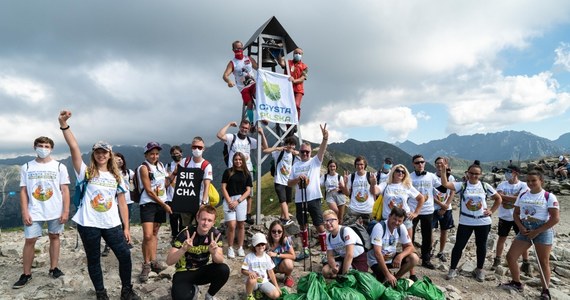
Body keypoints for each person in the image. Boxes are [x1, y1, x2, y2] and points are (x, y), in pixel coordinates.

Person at [58, 110, 140, 300]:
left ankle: (126, 290)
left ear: (110, 155)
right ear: (94, 154)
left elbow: (122, 203)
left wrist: (126, 227)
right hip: (88, 223)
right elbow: (74, 148)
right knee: (94, 260)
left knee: (124, 255)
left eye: (105, 152)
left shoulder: (117, 176)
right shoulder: (85, 172)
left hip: (112, 223)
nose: (101, 155)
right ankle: (101, 293)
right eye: (98, 152)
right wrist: (64, 125)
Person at [13, 136, 70, 289]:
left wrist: (65, 210)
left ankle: (54, 268)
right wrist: (24, 211)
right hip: (34, 210)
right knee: (30, 240)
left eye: (46, 146)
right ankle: (26, 274)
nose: (43, 148)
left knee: (55, 237)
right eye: (40, 145)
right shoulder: (27, 167)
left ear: (51, 148)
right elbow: (23, 191)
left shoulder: (60, 167)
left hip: (55, 210)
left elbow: (65, 190)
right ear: (35, 147)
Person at [500, 170, 559, 300]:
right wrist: (521, 227)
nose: (531, 183)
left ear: (541, 181)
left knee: (543, 262)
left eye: (534, 180)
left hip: (543, 230)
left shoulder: (549, 196)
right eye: (528, 181)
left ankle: (545, 290)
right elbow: (516, 213)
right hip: (525, 229)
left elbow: (555, 219)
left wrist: (537, 231)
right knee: (511, 256)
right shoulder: (523, 194)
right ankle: (516, 282)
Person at [439, 162, 501, 282]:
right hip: (466, 221)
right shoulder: (462, 185)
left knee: (481, 246)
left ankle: (480, 269)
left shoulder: (485, 186)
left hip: (483, 221)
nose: (473, 176)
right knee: (459, 246)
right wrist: (443, 171)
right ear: (467, 173)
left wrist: (491, 210)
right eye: (471, 173)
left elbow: (498, 198)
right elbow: (445, 184)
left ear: (480, 174)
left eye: (476, 174)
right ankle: (452, 269)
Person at [370, 164, 424, 281]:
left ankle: (410, 273)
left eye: (403, 172)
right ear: (393, 172)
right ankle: (382, 269)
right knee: (384, 245)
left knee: (408, 246)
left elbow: (421, 198)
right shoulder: (386, 184)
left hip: (405, 220)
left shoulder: (407, 186)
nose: (400, 173)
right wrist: (373, 183)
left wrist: (415, 213)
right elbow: (374, 191)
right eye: (398, 171)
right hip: (387, 219)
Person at [167, 205, 229, 300]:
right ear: (197, 218)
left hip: (202, 271)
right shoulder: (185, 234)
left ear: (213, 222)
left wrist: (214, 253)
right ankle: (192, 289)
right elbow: (169, 261)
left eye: (209, 220)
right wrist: (183, 249)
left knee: (224, 269)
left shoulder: (215, 235)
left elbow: (220, 260)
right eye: (203, 219)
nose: (205, 223)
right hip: (184, 272)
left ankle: (209, 295)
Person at [288, 124, 329, 261]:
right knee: (302, 224)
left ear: (310, 153)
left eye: (307, 152)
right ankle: (305, 250)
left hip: (314, 198)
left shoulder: (314, 162)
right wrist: (296, 179)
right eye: (302, 152)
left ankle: (324, 253)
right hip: (300, 199)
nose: (305, 154)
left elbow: (322, 151)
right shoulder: (295, 166)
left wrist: (324, 139)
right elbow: (289, 183)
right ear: (299, 153)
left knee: (319, 225)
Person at [217, 120, 267, 224]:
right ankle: (232, 213)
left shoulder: (250, 140)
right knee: (231, 192)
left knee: (248, 194)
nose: (244, 130)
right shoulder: (232, 137)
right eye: (243, 127)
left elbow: (265, 147)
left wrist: (262, 134)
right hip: (232, 171)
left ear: (249, 130)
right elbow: (219, 135)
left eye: (246, 128)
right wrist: (229, 124)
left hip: (247, 171)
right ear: (240, 127)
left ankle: (247, 215)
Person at [138, 142, 171, 283]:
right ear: (146, 154)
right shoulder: (143, 168)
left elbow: (165, 184)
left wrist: (174, 175)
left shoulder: (161, 166)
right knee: (147, 235)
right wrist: (164, 205)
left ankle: (154, 261)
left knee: (155, 233)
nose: (154, 156)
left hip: (160, 203)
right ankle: (146, 264)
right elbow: (149, 191)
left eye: (157, 153)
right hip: (149, 204)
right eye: (151, 153)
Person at [409, 154, 445, 270]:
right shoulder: (409, 177)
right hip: (412, 210)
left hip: (428, 210)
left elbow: (443, 189)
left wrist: (444, 173)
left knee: (427, 236)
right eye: (417, 162)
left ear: (424, 163)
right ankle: (410, 257)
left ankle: (426, 259)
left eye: (422, 162)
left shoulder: (431, 176)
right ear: (413, 164)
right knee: (410, 235)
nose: (420, 164)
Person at [491, 165, 529, 272]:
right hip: (504, 217)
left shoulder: (524, 185)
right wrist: (515, 199)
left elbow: (521, 199)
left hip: (520, 217)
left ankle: (526, 262)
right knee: (501, 238)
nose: (507, 173)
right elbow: (498, 197)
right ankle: (497, 259)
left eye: (509, 171)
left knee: (523, 240)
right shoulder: (502, 184)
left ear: (515, 173)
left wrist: (505, 198)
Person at [368, 207, 419, 286]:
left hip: (391, 257)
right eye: (394, 219)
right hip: (376, 260)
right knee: (385, 281)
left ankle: (396, 278)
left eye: (399, 221)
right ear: (389, 216)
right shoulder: (379, 227)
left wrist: (400, 256)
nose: (396, 222)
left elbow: (411, 247)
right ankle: (387, 277)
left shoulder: (401, 227)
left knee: (414, 258)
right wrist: (388, 274)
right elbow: (377, 253)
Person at [169, 137, 214, 227]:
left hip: (200, 201)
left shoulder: (206, 165)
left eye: (200, 147)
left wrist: (204, 203)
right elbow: (176, 179)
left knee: (201, 226)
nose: (197, 149)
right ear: (191, 147)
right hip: (186, 201)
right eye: (194, 147)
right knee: (185, 227)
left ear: (204, 149)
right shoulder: (184, 162)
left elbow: (207, 185)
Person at [102, 152, 135, 256]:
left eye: (121, 159)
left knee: (126, 221)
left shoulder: (129, 172)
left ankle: (126, 240)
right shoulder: (109, 173)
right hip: (113, 202)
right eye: (117, 159)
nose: (119, 160)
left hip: (128, 200)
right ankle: (108, 245)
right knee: (112, 223)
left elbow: (136, 182)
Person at [221, 152, 252, 258]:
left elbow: (248, 190)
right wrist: (230, 201)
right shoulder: (228, 172)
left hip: (241, 200)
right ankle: (230, 247)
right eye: (236, 159)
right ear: (233, 160)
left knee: (241, 225)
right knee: (232, 225)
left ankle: (240, 247)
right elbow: (223, 187)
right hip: (229, 200)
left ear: (243, 161)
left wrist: (238, 201)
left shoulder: (246, 173)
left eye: (240, 159)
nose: (238, 161)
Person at [322, 210, 368, 278]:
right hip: (343, 258)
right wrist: (334, 266)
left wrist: (344, 274)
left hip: (358, 259)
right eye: (325, 221)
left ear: (337, 220)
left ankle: (342, 275)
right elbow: (330, 255)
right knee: (325, 271)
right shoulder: (328, 236)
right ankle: (338, 275)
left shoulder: (346, 231)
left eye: (331, 220)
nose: (328, 223)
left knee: (351, 277)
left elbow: (349, 254)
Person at [263, 136, 298, 226]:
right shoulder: (279, 152)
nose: (291, 146)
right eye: (289, 144)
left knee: (286, 200)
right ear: (286, 144)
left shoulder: (293, 154)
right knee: (282, 200)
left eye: (293, 145)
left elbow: (304, 156)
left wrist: (296, 152)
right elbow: (266, 150)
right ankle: (287, 218)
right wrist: (278, 148)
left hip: (288, 181)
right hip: (279, 180)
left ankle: (282, 217)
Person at [222, 40, 259, 124]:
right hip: (243, 88)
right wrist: (229, 81)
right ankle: (251, 122)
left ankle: (263, 116)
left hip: (252, 84)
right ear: (233, 50)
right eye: (237, 49)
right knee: (249, 104)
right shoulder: (232, 63)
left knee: (259, 95)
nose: (239, 50)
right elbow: (225, 75)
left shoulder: (248, 59)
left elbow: (258, 68)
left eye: (240, 48)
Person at [242, 233, 282, 300]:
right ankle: (249, 295)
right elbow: (243, 270)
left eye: (262, 244)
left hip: (263, 281)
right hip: (253, 281)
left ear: (265, 245)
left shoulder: (267, 257)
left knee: (276, 295)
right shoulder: (249, 257)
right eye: (258, 245)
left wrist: (276, 286)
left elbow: (271, 272)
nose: (261, 246)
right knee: (252, 280)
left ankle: (259, 291)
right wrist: (249, 273)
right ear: (254, 246)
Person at [432, 157, 456, 263]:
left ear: (446, 164)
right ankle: (430, 250)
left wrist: (445, 206)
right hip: (433, 208)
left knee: (444, 231)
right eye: (437, 163)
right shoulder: (431, 177)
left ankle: (441, 252)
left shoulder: (450, 178)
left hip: (447, 208)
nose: (439, 165)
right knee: (430, 231)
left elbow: (452, 192)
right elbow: (429, 193)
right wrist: (441, 204)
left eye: (441, 163)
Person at [343, 156, 374, 226]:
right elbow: (347, 193)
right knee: (347, 229)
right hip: (354, 209)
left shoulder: (370, 176)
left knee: (367, 232)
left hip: (368, 210)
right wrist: (345, 184)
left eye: (361, 164)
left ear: (365, 165)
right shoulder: (352, 176)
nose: (359, 166)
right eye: (357, 164)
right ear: (355, 165)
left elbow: (374, 192)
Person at [278, 47, 308, 120]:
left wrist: (294, 81)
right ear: (293, 54)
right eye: (296, 53)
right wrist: (278, 52)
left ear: (302, 55)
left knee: (296, 105)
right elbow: (281, 63)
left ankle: (296, 121)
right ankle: (289, 127)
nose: (297, 54)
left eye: (299, 53)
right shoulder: (288, 62)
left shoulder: (304, 66)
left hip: (298, 90)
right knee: (287, 107)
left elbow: (303, 78)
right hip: (287, 89)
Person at [266, 221, 296, 288]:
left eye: (279, 231)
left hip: (280, 265)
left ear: (283, 232)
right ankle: (268, 275)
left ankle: (287, 276)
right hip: (268, 266)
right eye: (274, 231)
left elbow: (293, 256)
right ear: (270, 232)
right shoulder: (265, 241)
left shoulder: (286, 240)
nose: (276, 233)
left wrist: (276, 254)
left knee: (289, 263)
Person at [165, 145, 184, 245]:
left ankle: (181, 236)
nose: (175, 155)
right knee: (173, 218)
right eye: (173, 154)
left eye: (177, 153)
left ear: (181, 153)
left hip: (184, 196)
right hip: (171, 196)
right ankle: (174, 235)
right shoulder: (168, 166)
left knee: (182, 218)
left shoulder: (186, 164)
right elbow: (166, 181)